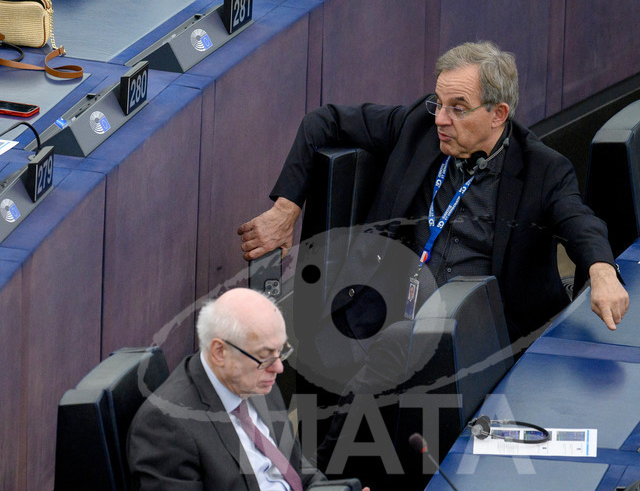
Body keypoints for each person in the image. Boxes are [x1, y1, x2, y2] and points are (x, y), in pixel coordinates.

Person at [239, 41, 629, 343]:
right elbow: (322, 121)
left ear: (498, 114)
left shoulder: (542, 169)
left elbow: (580, 222)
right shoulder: (418, 126)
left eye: (457, 108)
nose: (440, 119)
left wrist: (602, 270)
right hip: (391, 311)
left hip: (482, 331)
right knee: (349, 414)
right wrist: (285, 209)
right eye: (438, 103)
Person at [128, 287, 369, 491]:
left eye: (280, 351)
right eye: (265, 356)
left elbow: (297, 469)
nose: (278, 367)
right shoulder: (166, 425)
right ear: (220, 352)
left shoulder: (255, 378)